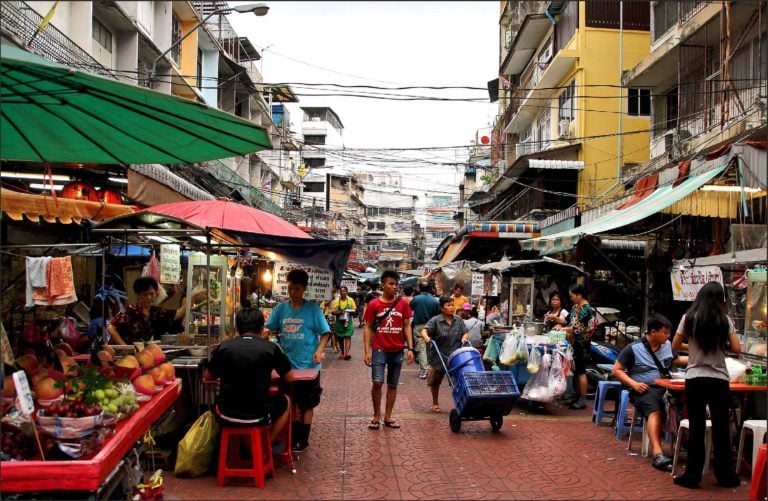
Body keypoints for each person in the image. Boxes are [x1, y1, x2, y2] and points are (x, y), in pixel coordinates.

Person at [671, 281, 741, 489]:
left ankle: (693, 476)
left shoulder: (689, 318)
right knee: (721, 428)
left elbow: (674, 345)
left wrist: (692, 343)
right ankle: (725, 476)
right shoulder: (724, 320)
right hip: (719, 379)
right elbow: (736, 348)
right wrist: (720, 345)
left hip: (695, 378)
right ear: (721, 299)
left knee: (697, 427)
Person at [203, 308, 294, 447]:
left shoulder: (224, 347)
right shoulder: (271, 348)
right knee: (286, 400)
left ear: (237, 327)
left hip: (225, 413)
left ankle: (244, 448)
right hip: (259, 414)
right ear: (261, 328)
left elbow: (208, 377)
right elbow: (289, 378)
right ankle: (266, 445)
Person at [264, 269, 331, 453]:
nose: (293, 292)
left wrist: (319, 350)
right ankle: (293, 436)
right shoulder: (280, 309)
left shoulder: (313, 309)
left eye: (297, 288)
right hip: (287, 366)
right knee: (290, 401)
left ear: (304, 289)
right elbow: (267, 328)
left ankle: (304, 438)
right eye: (290, 288)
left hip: (309, 366)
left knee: (308, 403)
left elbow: (325, 333)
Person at [612, 314, 688, 472]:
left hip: (667, 386)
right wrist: (634, 384)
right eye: (665, 333)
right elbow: (617, 370)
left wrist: (701, 359)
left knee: (689, 403)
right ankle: (658, 454)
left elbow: (677, 361)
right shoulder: (633, 348)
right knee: (655, 410)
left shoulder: (667, 345)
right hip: (644, 389)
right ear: (653, 332)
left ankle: (686, 444)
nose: (668, 336)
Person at [363, 269, 415, 430]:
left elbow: (407, 325)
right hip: (379, 349)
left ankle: (388, 417)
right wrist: (367, 351)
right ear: (382, 285)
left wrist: (410, 348)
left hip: (397, 349)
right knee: (377, 382)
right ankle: (376, 416)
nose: (394, 287)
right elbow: (368, 327)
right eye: (391, 284)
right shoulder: (374, 304)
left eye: (396, 284)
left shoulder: (403, 304)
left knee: (393, 384)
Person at [107, 277, 202, 345]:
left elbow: (179, 313)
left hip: (139, 353)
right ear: (138, 295)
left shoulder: (156, 312)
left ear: (156, 294)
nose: (149, 297)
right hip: (122, 355)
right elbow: (111, 328)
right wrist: (124, 346)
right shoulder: (129, 310)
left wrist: (193, 298)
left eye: (151, 294)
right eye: (145, 294)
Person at [421, 296, 469, 413]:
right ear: (442, 308)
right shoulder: (435, 320)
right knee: (436, 381)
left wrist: (464, 338)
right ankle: (435, 403)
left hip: (455, 356)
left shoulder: (458, 320)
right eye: (448, 305)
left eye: (452, 305)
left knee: (459, 380)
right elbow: (424, 330)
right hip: (438, 356)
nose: (451, 307)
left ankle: (462, 401)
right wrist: (427, 338)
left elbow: (465, 332)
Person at [554, 284, 595, 410]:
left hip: (582, 344)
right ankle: (577, 396)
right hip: (573, 344)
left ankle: (582, 399)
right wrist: (555, 319)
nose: (571, 298)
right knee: (576, 371)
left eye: (572, 296)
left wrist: (562, 329)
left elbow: (576, 328)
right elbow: (567, 321)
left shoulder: (586, 309)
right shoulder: (576, 307)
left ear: (579, 295)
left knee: (581, 371)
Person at [409, 281, 439, 379]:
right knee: (429, 348)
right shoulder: (435, 300)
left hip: (419, 326)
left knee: (421, 349)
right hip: (431, 326)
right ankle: (430, 369)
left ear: (419, 288)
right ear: (430, 288)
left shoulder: (416, 299)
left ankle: (424, 370)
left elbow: (410, 308)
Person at [331, 286, 357, 360]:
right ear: (339, 292)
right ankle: (342, 352)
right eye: (341, 291)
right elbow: (333, 312)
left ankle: (347, 353)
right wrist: (340, 312)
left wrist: (350, 311)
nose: (343, 292)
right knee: (340, 338)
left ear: (347, 292)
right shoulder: (336, 301)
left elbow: (354, 309)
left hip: (348, 322)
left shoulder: (350, 300)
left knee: (348, 337)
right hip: (339, 322)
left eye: (344, 291)